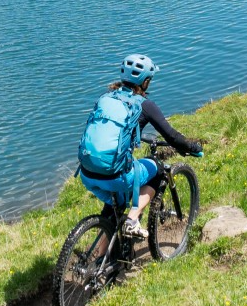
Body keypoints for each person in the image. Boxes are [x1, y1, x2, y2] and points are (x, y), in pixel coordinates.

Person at [78, 53, 203, 238]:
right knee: (158, 171)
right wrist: (193, 147)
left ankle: (101, 259)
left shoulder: (106, 98)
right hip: (114, 175)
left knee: (117, 204)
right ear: (145, 82)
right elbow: (172, 136)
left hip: (87, 174)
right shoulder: (144, 105)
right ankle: (133, 220)